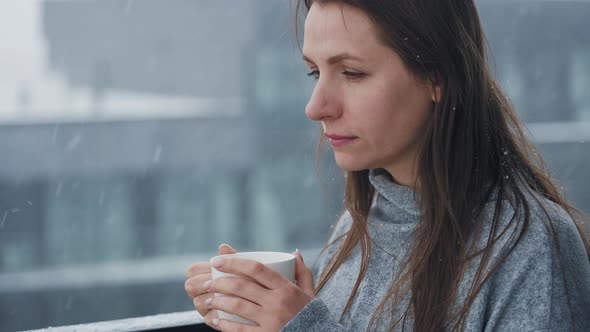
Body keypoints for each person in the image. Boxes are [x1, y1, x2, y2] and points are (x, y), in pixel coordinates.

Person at [185, 0, 590, 331]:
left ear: (436, 76)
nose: (315, 107)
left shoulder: (531, 248)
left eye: (352, 73)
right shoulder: (358, 227)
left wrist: (304, 326)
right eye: (314, 72)